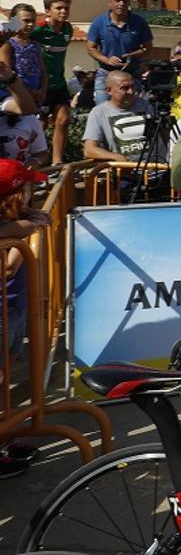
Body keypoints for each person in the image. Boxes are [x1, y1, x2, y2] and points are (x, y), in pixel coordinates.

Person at [0, 158, 50, 478]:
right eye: (30, 187)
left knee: (7, 375)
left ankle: (6, 433)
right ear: (15, 196)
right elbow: (7, 267)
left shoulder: (14, 218)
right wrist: (29, 228)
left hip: (14, 307)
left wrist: (27, 219)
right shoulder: (13, 226)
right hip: (3, 308)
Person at [82, 70, 167, 168]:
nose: (131, 92)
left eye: (132, 87)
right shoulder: (99, 112)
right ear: (108, 91)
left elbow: (165, 135)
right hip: (126, 174)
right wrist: (115, 157)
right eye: (124, 88)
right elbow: (89, 150)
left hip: (158, 168)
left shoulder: (147, 105)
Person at [86, 0, 153, 104]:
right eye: (117, 0)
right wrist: (107, 60)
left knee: (134, 110)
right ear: (109, 2)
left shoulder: (139, 22)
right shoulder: (99, 22)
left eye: (125, 1)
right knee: (102, 108)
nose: (121, 4)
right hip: (106, 74)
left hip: (131, 73)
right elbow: (91, 48)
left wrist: (132, 55)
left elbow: (147, 48)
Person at [31, 0, 74, 164]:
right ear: (48, 11)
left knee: (63, 120)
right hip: (42, 85)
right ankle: (35, 162)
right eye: (59, 8)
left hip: (60, 83)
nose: (63, 11)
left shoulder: (68, 29)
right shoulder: (39, 30)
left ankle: (57, 162)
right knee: (41, 126)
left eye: (66, 8)